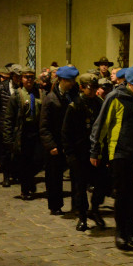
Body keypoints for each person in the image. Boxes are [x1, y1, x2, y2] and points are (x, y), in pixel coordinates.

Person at [91, 65, 133, 250]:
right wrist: (95, 149)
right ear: (130, 83)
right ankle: (121, 232)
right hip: (120, 153)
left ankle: (131, 230)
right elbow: (101, 124)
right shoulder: (116, 97)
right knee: (123, 195)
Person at [63, 74, 105, 231]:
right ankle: (82, 216)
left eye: (95, 87)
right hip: (80, 152)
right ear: (82, 87)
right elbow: (66, 132)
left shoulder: (99, 104)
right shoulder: (75, 105)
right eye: (90, 88)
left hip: (96, 152)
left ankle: (94, 210)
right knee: (80, 187)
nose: (93, 91)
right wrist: (70, 154)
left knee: (101, 185)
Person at [40, 65, 79, 215]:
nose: (72, 83)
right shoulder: (51, 99)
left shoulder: (72, 96)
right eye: (70, 80)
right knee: (54, 177)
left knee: (76, 176)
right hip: (55, 144)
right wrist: (50, 145)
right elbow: (44, 125)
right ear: (62, 80)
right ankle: (55, 205)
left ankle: (77, 205)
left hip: (70, 143)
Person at [3, 70, 44, 201]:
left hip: (36, 131)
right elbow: (9, 118)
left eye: (31, 78)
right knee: (25, 161)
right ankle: (25, 189)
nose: (29, 80)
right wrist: (8, 138)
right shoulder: (17, 95)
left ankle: (30, 181)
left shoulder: (40, 94)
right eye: (26, 77)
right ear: (21, 79)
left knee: (37, 160)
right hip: (23, 131)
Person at [0, 64, 23, 186]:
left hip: (19, 124)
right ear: (12, 76)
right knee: (6, 151)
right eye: (17, 76)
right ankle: (6, 176)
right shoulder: (2, 88)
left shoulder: (22, 89)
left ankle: (16, 174)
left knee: (18, 152)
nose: (19, 79)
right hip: (5, 123)